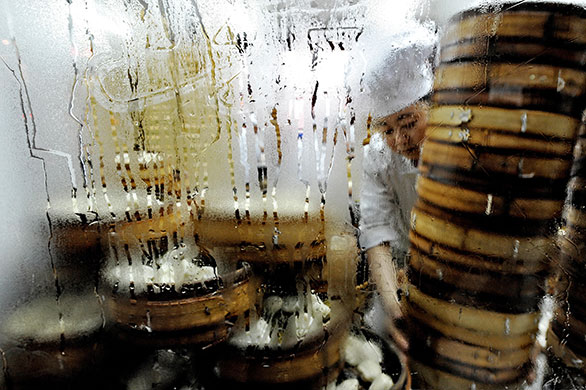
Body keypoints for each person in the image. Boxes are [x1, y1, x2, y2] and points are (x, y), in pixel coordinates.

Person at [358, 21, 437, 350]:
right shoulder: (376, 158)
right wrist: (394, 309)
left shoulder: (464, 148)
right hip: (406, 275)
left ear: (434, 109)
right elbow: (376, 235)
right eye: (386, 130)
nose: (399, 141)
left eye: (408, 124)